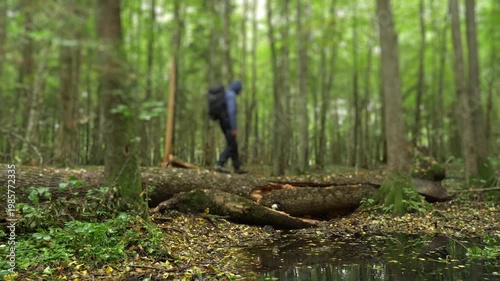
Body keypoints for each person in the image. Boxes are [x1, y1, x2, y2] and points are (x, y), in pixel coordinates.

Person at [215, 80, 248, 174]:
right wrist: (234, 127)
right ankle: (220, 164)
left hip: (223, 122)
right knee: (231, 144)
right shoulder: (231, 95)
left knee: (233, 144)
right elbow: (231, 112)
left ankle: (237, 167)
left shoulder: (227, 94)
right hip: (228, 123)